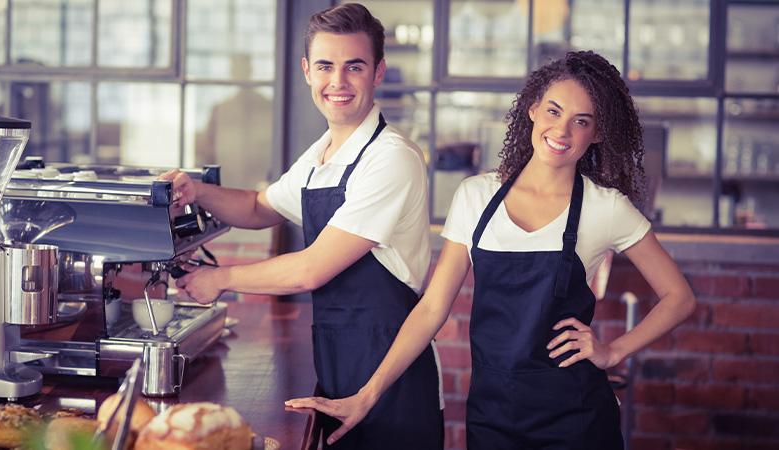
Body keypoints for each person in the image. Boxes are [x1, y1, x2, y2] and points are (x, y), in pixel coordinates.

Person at [285, 50, 696, 449]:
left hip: (576, 419)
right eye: (553, 111)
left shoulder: (605, 207)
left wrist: (612, 352)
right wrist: (367, 395)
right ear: (533, 109)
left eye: (581, 121)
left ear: (598, 133)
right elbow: (431, 309)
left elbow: (678, 298)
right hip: (492, 416)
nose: (562, 130)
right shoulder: (476, 197)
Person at [159, 3, 444, 449]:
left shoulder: (391, 158)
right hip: (337, 368)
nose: (338, 81)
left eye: (355, 66)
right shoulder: (320, 157)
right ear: (308, 71)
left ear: (379, 72)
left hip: (391, 385)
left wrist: (222, 278)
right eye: (326, 66)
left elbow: (312, 269)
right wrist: (197, 190)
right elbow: (258, 208)